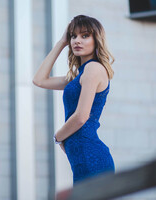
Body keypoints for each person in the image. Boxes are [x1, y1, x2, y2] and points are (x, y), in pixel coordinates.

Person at [32, 15, 116, 184]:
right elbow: (39, 80)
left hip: (91, 157)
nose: (77, 40)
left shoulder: (93, 69)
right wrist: (61, 43)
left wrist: (58, 137)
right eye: (73, 36)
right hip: (81, 158)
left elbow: (81, 117)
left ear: (96, 40)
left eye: (85, 36)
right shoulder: (79, 76)